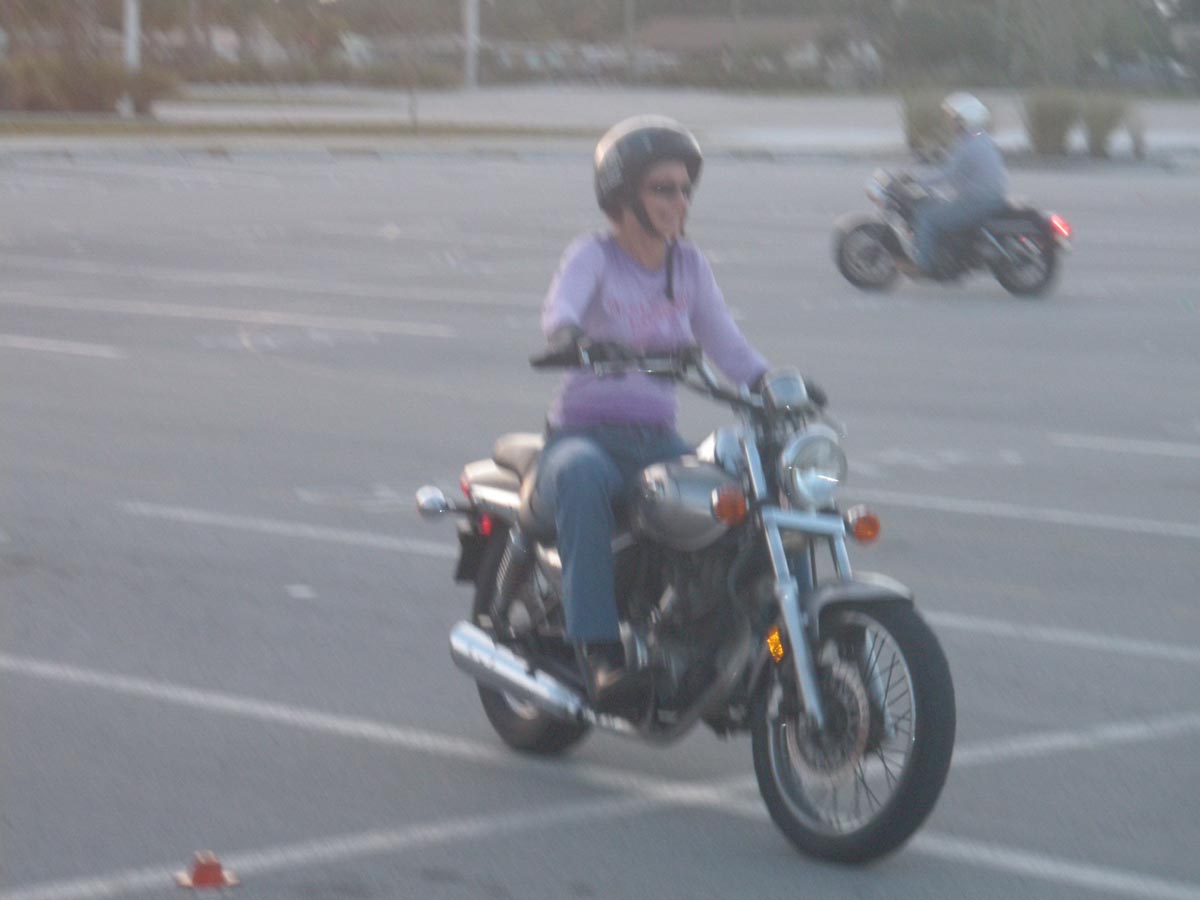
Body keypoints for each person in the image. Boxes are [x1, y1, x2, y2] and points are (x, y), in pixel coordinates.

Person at [531, 115, 769, 711]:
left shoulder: (688, 265)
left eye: (685, 189)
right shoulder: (593, 256)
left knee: (731, 500)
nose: (679, 201)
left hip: (655, 440)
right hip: (583, 436)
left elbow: (726, 342)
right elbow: (561, 309)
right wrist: (569, 337)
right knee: (583, 477)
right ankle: (599, 655)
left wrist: (772, 385)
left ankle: (716, 642)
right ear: (624, 195)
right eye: (664, 188)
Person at [913, 92, 1009, 276]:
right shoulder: (980, 138)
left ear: (966, 121)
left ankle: (924, 267)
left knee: (927, 218)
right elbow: (955, 171)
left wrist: (918, 182)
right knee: (937, 205)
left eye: (954, 119)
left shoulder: (968, 145)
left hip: (977, 202)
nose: (950, 122)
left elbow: (948, 175)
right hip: (988, 198)